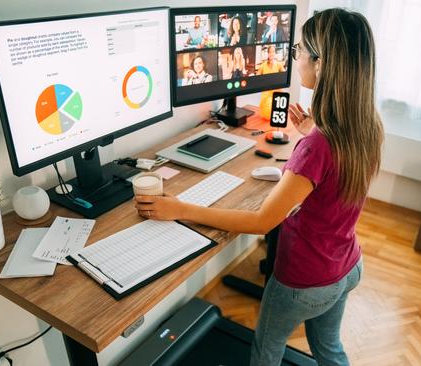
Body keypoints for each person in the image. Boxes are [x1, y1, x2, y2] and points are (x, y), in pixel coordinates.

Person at [135, 8, 383, 366]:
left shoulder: (317, 146)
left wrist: (181, 209)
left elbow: (262, 222)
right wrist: (310, 135)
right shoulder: (366, 127)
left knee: (266, 349)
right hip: (347, 266)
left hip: (304, 281)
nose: (295, 56)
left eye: (299, 50)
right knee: (328, 348)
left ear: (320, 63)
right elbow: (332, 179)